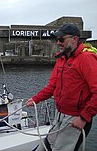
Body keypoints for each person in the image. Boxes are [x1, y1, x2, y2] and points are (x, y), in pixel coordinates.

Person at [25, 23, 97, 151]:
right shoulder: (62, 59)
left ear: (75, 39)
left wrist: (84, 117)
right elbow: (52, 86)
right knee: (44, 148)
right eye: (57, 40)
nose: (58, 43)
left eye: (61, 39)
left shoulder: (86, 59)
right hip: (59, 116)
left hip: (76, 118)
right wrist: (36, 99)